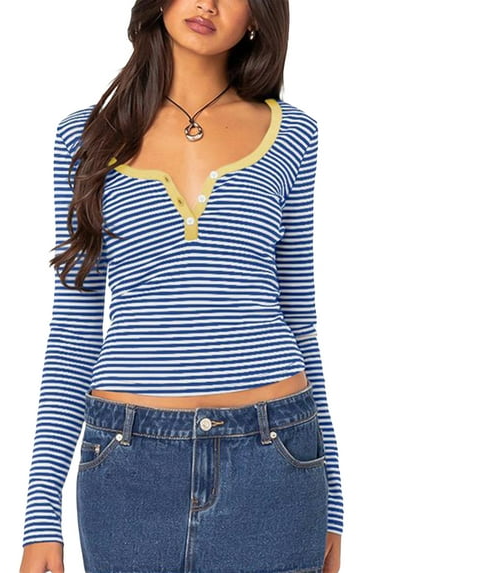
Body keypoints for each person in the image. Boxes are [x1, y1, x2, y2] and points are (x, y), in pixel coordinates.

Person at [19, 1, 344, 572]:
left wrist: (334, 502)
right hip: (126, 465)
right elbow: (73, 331)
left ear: (258, 15)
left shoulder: (293, 133)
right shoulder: (86, 136)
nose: (207, 3)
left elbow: (299, 318)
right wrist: (40, 515)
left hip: (276, 457)